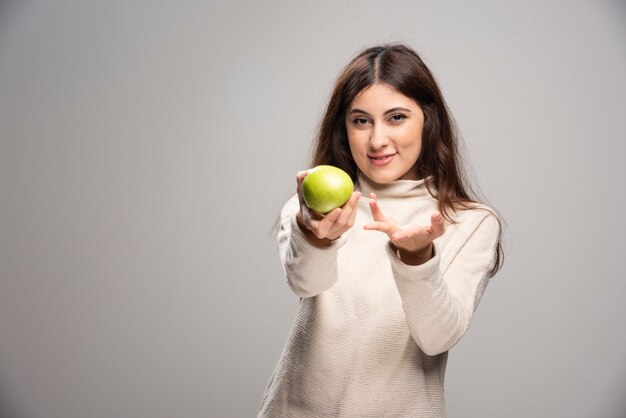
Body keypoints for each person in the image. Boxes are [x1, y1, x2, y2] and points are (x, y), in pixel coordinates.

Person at [258, 43, 504, 418]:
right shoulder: (313, 207)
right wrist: (314, 236)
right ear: (344, 128)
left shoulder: (467, 222)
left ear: (428, 120)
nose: (377, 141)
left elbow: (436, 338)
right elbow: (306, 283)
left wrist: (417, 259)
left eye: (396, 118)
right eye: (361, 121)